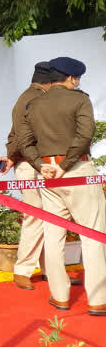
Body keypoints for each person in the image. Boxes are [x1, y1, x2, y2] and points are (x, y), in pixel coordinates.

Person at [18, 56, 106, 315]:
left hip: (47, 174)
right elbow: (85, 135)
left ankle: (60, 297)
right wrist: (66, 165)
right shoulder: (80, 99)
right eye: (77, 78)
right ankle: (98, 299)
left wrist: (39, 164)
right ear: (70, 78)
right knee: (92, 235)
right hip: (76, 169)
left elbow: (25, 140)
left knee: (53, 236)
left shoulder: (33, 104)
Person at [0, 62, 62, 290]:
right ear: (49, 82)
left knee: (48, 216)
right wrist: (13, 156)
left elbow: (16, 134)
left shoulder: (27, 97)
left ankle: (51, 270)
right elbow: (24, 136)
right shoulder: (35, 99)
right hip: (33, 164)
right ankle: (22, 270)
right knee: (37, 216)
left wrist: (10, 156)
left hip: (33, 163)